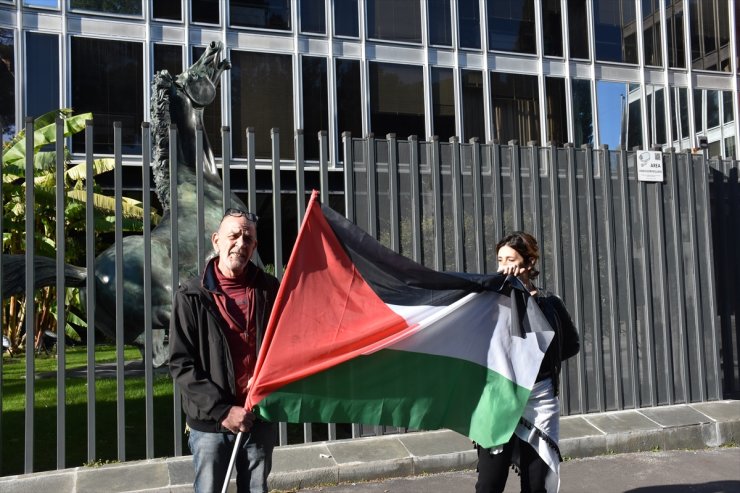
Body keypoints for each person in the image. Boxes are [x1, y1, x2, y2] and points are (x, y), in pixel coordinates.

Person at [169, 208, 280, 493]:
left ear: (254, 247)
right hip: (210, 424)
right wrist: (222, 411)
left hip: (259, 415)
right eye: (234, 236)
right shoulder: (190, 296)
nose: (241, 244)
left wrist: (271, 378)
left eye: (248, 239)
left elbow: (285, 344)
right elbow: (181, 363)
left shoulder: (271, 290)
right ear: (216, 240)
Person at [476, 231, 580, 493]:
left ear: (529, 263)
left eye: (510, 259)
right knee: (489, 483)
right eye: (500, 260)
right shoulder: (490, 300)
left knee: (536, 485)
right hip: (498, 399)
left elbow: (569, 346)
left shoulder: (549, 303)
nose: (503, 266)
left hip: (539, 400)